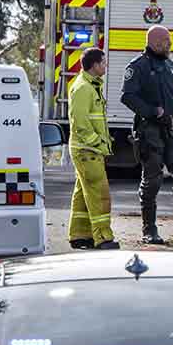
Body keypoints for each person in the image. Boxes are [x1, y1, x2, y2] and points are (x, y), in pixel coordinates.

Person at [120, 26, 173, 245]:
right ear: (155, 43)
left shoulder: (169, 64)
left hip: (170, 130)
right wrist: (151, 111)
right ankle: (149, 230)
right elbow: (127, 97)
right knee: (152, 181)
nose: (170, 45)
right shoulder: (137, 66)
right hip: (149, 131)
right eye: (167, 41)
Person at [67, 49, 118, 250]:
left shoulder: (90, 86)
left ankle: (80, 235)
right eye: (103, 63)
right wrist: (97, 142)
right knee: (99, 194)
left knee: (83, 193)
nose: (105, 66)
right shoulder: (83, 88)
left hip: (88, 150)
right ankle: (103, 238)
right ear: (94, 65)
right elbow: (79, 121)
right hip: (87, 151)